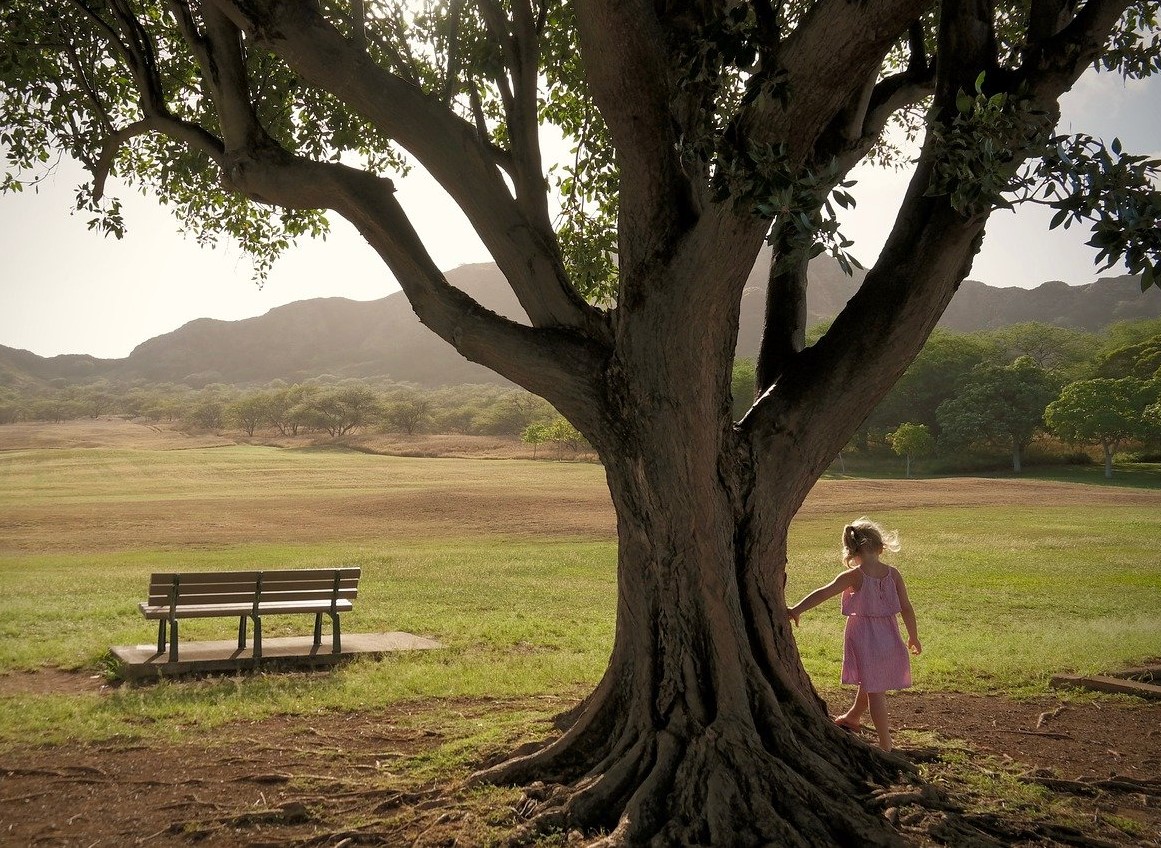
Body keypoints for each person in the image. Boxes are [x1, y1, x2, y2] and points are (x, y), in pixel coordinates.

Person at [787, 517, 921, 751]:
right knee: (871, 680)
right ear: (881, 547)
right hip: (890, 634)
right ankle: (853, 717)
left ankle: (886, 745)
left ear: (851, 551)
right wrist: (913, 636)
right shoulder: (893, 573)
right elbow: (907, 607)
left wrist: (797, 609)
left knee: (874, 688)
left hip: (864, 637)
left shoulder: (853, 575)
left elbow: (823, 593)